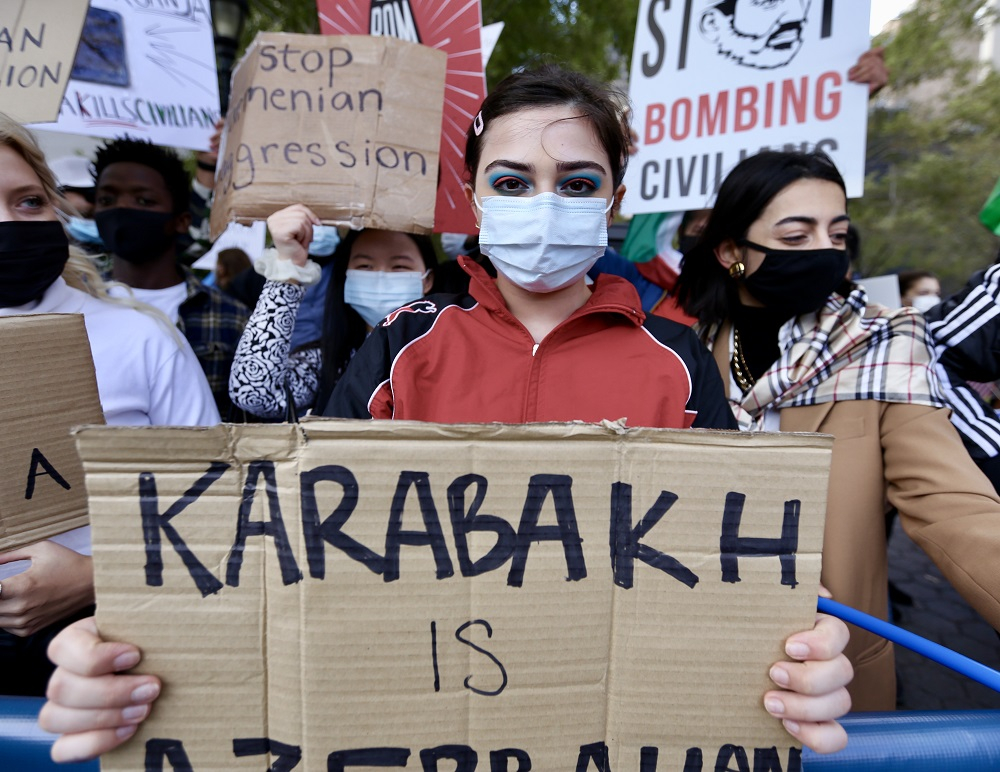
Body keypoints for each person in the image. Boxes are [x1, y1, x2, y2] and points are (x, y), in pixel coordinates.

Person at [39, 66, 852, 760]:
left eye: (576, 182)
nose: (543, 202)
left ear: (615, 197)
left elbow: (725, 580)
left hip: (604, 733)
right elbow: (288, 537)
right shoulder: (400, 345)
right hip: (408, 728)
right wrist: (140, 646)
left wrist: (790, 664)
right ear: (473, 197)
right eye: (511, 182)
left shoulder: (676, 359)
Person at [673, 149, 1000, 711]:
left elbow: (952, 505)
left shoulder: (885, 342)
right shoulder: (683, 352)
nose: (824, 251)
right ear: (731, 252)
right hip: (700, 651)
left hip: (832, 672)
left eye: (837, 234)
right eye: (797, 237)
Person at [0, 113, 219, 696]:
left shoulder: (140, 338)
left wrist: (94, 579)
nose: (7, 222)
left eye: (26, 202)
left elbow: (218, 514)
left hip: (113, 655)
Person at [91, 137, 249, 417]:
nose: (122, 208)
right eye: (107, 199)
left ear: (181, 221)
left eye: (143, 200)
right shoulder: (74, 308)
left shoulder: (232, 318)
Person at [229, 209, 436, 419]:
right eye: (365, 266)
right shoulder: (328, 361)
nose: (380, 276)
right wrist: (288, 268)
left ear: (428, 279)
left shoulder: (448, 355)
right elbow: (255, 393)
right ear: (346, 276)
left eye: (399, 266)